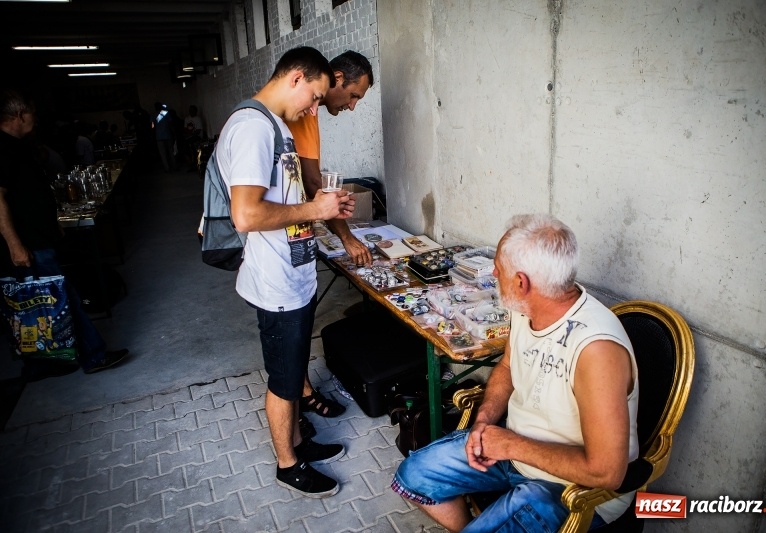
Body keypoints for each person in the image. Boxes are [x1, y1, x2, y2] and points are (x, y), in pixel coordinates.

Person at [391, 213, 640, 532]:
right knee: (413, 476)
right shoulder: (527, 308)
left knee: (526, 499)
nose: (494, 273)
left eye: (499, 268)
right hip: (513, 452)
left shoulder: (596, 350)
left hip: (573, 488)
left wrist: (509, 445)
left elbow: (606, 472)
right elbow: (508, 366)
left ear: (522, 283)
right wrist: (483, 423)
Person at [219, 47, 355, 498]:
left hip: (292, 275)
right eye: (314, 96)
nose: (314, 108)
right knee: (283, 380)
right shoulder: (252, 128)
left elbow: (284, 200)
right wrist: (315, 210)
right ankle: (287, 464)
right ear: (296, 78)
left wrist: (322, 208)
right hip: (274, 282)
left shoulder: (275, 125)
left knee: (294, 371)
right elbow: (246, 215)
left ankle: (299, 441)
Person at [0, 89, 130, 378]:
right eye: (32, 113)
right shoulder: (3, 149)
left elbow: (29, 194)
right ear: (19, 114)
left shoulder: (18, 146)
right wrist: (14, 245)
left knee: (40, 302)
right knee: (56, 299)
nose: (35, 118)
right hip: (29, 244)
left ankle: (41, 363)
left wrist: (52, 223)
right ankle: (91, 356)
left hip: (39, 237)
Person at [286, 50, 374, 423]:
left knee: (298, 318)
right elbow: (311, 184)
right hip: (278, 242)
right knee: (288, 326)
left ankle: (299, 391)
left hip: (294, 235)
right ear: (335, 78)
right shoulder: (295, 111)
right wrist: (346, 238)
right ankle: (297, 399)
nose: (352, 106)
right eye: (353, 96)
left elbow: (312, 182)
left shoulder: (308, 113)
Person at [151, 102, 176, 172]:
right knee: (171, 152)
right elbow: (171, 124)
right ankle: (174, 166)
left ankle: (167, 168)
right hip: (167, 135)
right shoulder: (166, 113)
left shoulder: (153, 115)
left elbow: (152, 127)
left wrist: (153, 135)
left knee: (163, 154)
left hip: (159, 137)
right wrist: (174, 134)